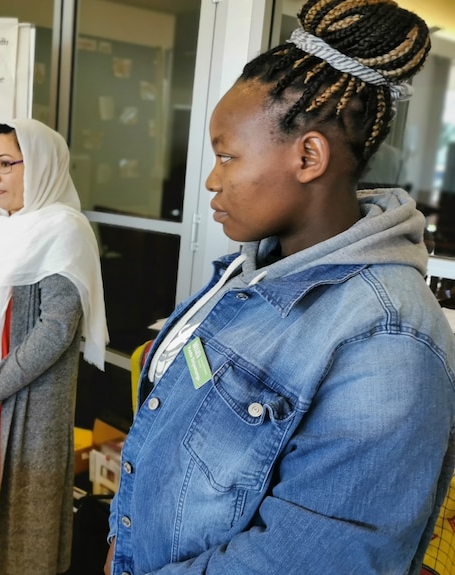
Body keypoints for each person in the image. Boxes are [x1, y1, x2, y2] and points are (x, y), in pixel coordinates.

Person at [105, 1, 455, 573]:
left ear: (309, 155)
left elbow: (312, 558)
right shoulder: (252, 272)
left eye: (226, 155)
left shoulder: (388, 343)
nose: (213, 181)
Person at [0, 118, 109, 575]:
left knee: (24, 533)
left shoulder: (64, 232)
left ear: (43, 165)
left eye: (7, 163)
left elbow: (55, 330)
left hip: (20, 408)